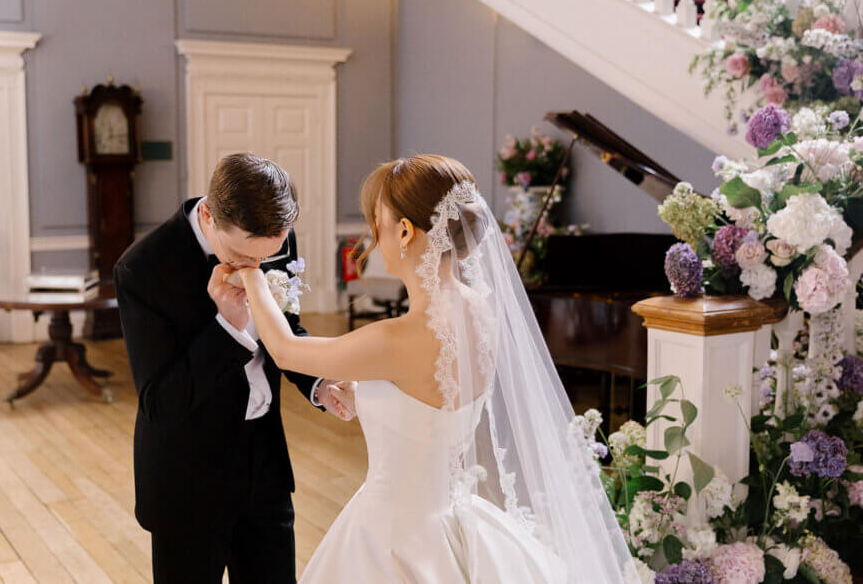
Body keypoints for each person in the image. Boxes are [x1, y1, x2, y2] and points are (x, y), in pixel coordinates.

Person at [223, 154, 638, 582]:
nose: (373, 237)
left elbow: (286, 351)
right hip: (455, 521)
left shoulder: (393, 339)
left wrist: (252, 272)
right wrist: (366, 396)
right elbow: (433, 404)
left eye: (376, 223)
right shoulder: (481, 312)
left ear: (404, 231)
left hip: (393, 535)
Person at [115, 153, 356, 583]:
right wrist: (227, 326)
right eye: (243, 257)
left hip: (265, 469)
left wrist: (319, 382)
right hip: (186, 481)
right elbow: (161, 402)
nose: (256, 270)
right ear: (208, 214)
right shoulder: (142, 269)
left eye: (268, 257)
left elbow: (287, 327)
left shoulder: (269, 239)